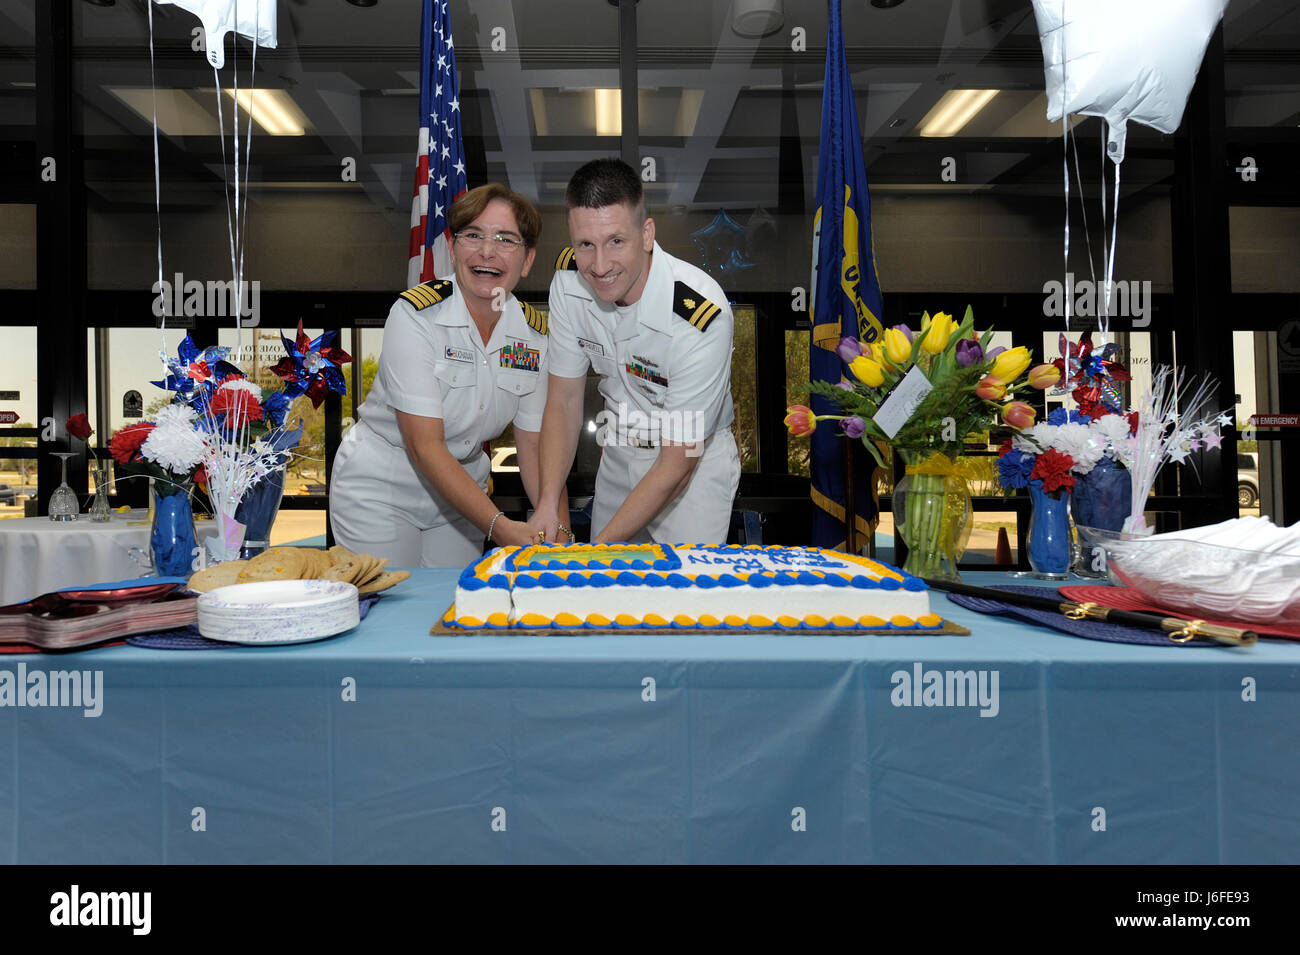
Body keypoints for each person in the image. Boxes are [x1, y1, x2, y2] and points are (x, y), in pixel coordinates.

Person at [330, 183, 564, 566]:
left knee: (454, 604)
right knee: (392, 608)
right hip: (382, 487)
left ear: (527, 260)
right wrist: (503, 530)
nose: (487, 250)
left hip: (462, 496)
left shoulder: (534, 335)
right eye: (473, 235)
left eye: (506, 239)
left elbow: (536, 447)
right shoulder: (416, 315)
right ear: (453, 250)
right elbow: (426, 446)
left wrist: (554, 525)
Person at [533, 158, 740, 545]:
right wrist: (547, 502)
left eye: (615, 242)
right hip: (618, 454)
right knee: (607, 596)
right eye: (585, 245)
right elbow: (562, 400)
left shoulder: (699, 316)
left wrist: (596, 551)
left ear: (646, 234)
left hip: (690, 467)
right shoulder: (568, 285)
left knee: (680, 598)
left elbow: (676, 465)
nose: (599, 265)